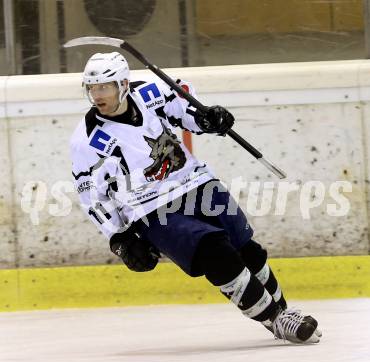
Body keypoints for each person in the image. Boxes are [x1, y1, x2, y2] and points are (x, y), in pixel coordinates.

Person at [70, 51, 322, 344]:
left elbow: (185, 105)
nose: (97, 94)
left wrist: (208, 118)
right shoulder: (88, 139)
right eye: (92, 88)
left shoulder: (150, 91)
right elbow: (92, 195)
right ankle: (276, 319)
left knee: (247, 249)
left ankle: (282, 311)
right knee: (215, 252)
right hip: (152, 207)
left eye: (104, 87)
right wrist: (120, 239)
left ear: (123, 84)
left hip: (197, 181)